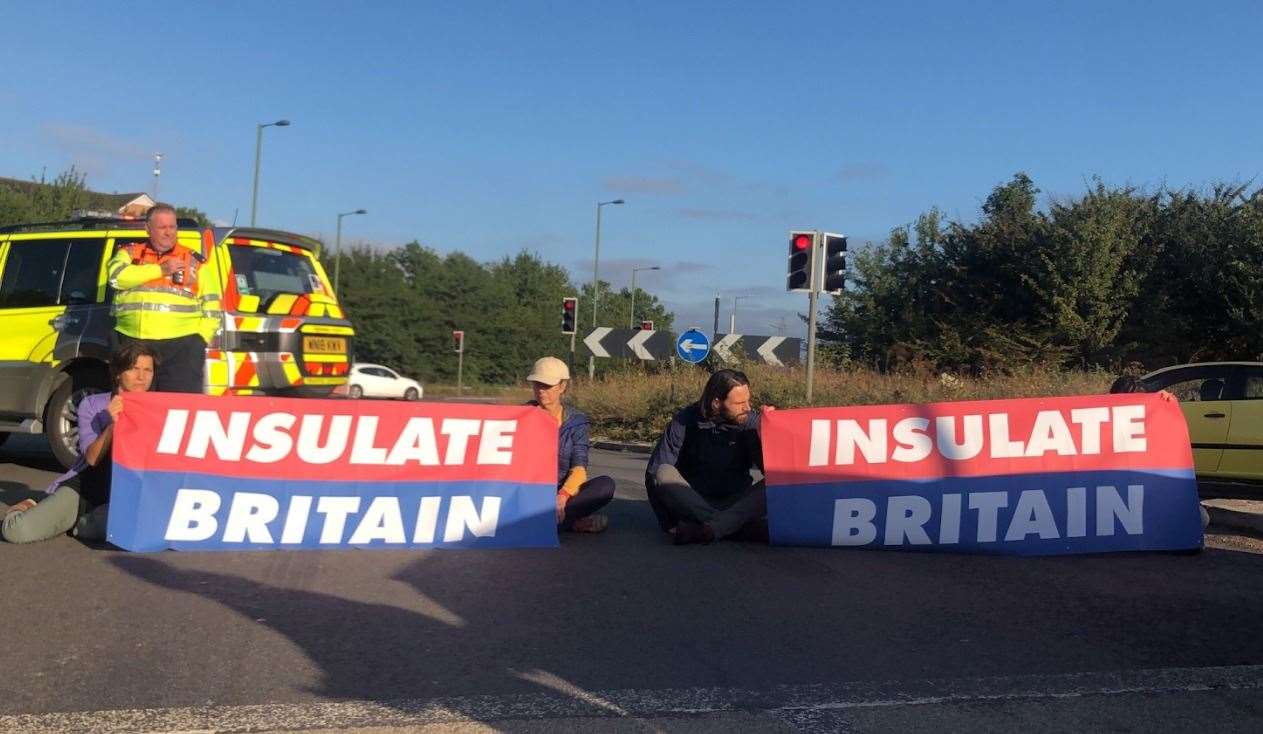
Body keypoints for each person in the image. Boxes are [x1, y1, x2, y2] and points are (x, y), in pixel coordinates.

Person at [3, 342, 157, 544]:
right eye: (134, 369)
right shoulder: (93, 405)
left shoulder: (159, 408)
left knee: (137, 526)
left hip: (127, 492)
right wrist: (112, 426)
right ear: (118, 373)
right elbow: (92, 458)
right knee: (18, 531)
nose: (141, 377)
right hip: (87, 486)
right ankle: (37, 503)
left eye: (148, 370)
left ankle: (82, 524)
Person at [107, 203, 221, 393]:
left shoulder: (195, 261)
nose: (169, 232)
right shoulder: (129, 253)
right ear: (148, 229)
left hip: (181, 348)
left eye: (172, 227)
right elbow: (116, 277)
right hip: (133, 341)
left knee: (178, 409)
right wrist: (160, 269)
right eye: (162, 227)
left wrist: (200, 338)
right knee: (132, 407)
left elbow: (212, 303)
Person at [645, 369, 769, 544]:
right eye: (740, 403)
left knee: (776, 482)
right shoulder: (684, 420)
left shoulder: (750, 421)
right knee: (662, 472)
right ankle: (731, 527)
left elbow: (770, 470)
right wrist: (667, 523)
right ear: (717, 403)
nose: (747, 408)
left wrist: (768, 434)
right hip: (693, 501)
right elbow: (654, 472)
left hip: (736, 502)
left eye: (748, 400)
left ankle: (710, 529)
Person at [526, 356, 614, 533]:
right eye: (537, 384)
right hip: (529, 492)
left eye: (547, 385)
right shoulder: (522, 415)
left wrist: (563, 495)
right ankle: (569, 524)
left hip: (561, 491)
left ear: (562, 386)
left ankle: (553, 520)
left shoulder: (577, 421)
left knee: (605, 485)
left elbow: (579, 467)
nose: (541, 390)